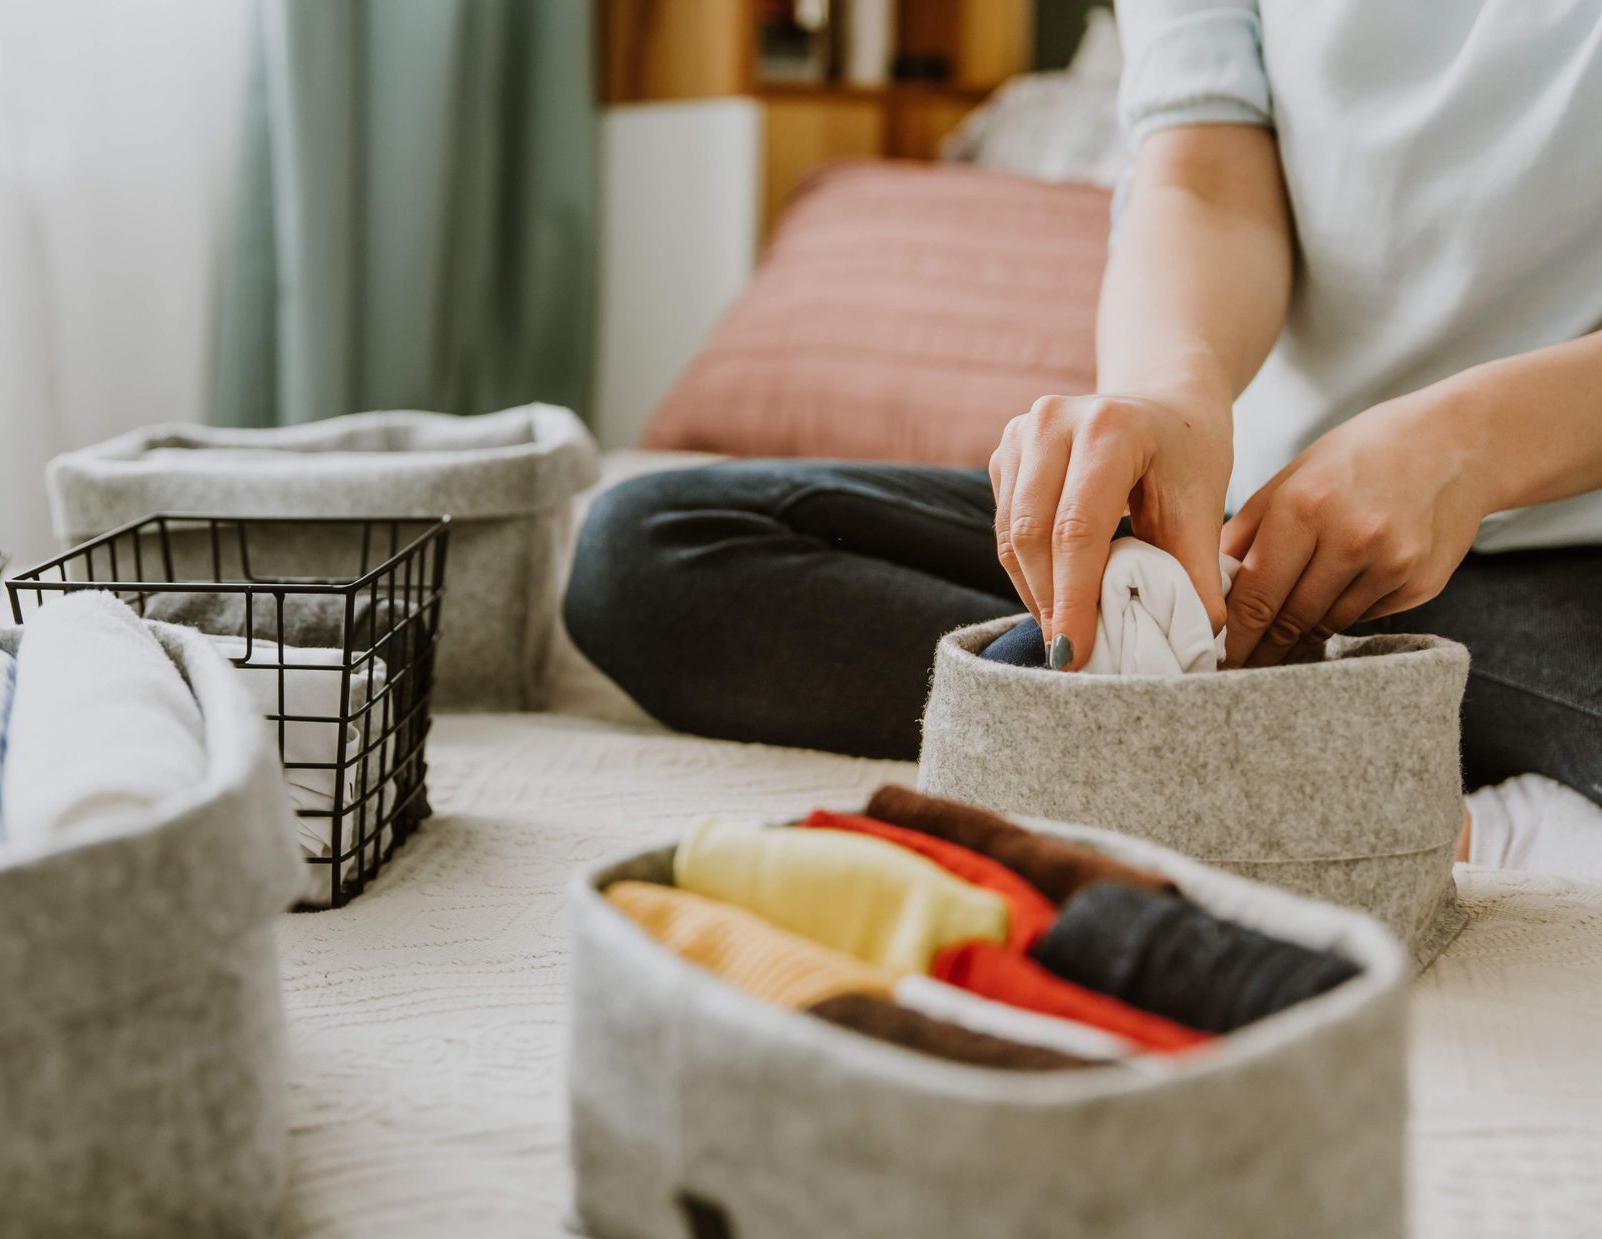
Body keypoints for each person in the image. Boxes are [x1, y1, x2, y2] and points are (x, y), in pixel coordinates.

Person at [563, 1, 1601, 817]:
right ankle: (1326, 763)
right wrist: (1164, 394)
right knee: (648, 550)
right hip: (1244, 538)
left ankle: (1178, 746)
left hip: (1562, 551)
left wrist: (1478, 441)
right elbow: (1203, 183)